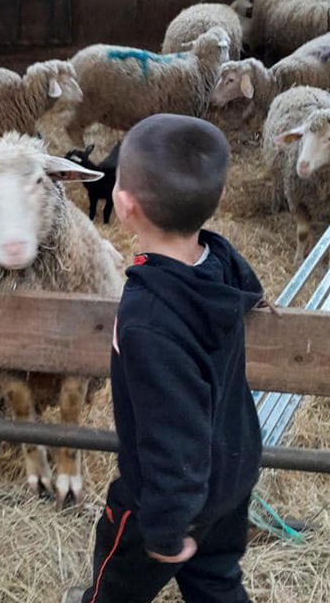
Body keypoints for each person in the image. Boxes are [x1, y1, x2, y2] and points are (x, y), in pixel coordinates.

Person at [63, 114, 264, 603]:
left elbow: (172, 429)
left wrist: (166, 530)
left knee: (116, 586)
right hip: (232, 472)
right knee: (216, 580)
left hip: (165, 497)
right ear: (217, 202)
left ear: (124, 205)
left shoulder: (149, 318)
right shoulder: (221, 265)